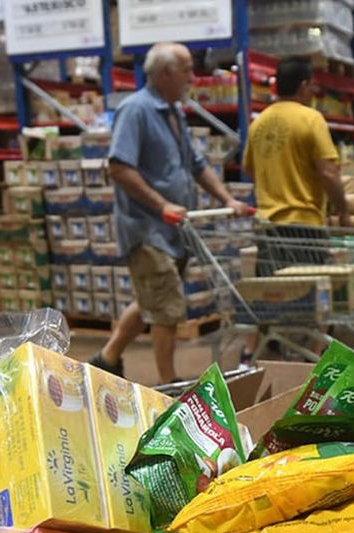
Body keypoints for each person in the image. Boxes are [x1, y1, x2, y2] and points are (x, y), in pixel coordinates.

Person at [89, 42, 248, 384]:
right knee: (167, 310)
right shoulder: (137, 110)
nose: (193, 77)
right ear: (165, 73)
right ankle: (168, 386)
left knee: (153, 300)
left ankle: (107, 357)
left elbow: (196, 165)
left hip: (173, 231)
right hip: (146, 229)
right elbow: (118, 167)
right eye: (187, 70)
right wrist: (162, 206)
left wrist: (227, 198)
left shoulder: (172, 111)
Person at [239, 56, 349, 365]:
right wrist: (343, 211)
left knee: (267, 296)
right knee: (319, 298)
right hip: (305, 225)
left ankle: (252, 354)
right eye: (312, 83)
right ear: (304, 86)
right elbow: (328, 172)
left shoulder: (258, 123)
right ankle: (314, 358)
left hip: (269, 226)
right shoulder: (310, 118)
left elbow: (249, 167)